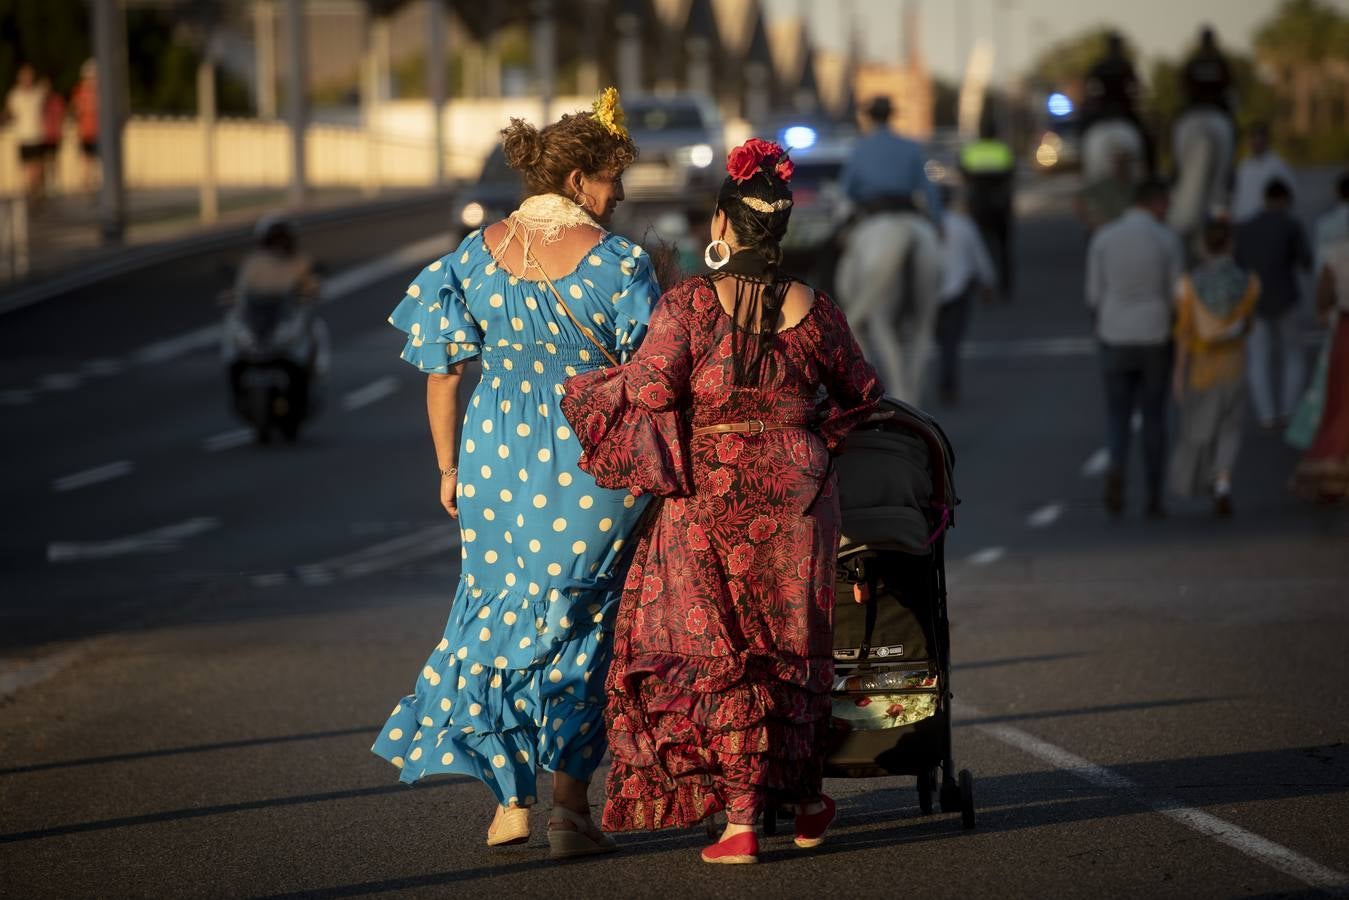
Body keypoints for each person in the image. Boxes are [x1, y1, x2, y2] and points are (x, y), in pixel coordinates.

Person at [561, 138, 883, 864]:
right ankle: (803, 802)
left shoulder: (688, 306)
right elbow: (863, 393)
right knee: (791, 651)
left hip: (707, 497)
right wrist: (814, 440)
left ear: (720, 226)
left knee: (723, 653)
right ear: (781, 230)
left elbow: (647, 391)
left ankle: (739, 822)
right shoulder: (815, 307)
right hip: (797, 499)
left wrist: (587, 389)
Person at [370, 89, 659, 860]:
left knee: (497, 618)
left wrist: (447, 468)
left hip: (493, 465)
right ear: (576, 183)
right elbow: (652, 376)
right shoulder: (622, 262)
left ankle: (508, 802)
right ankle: (570, 809)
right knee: (583, 627)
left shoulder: (471, 256)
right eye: (609, 180)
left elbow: (441, 371)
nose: (619, 194)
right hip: (592, 469)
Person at [836, 95, 943, 405]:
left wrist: (841, 226)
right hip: (913, 219)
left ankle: (885, 395)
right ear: (892, 116)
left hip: (874, 217)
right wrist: (938, 224)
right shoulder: (910, 146)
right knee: (924, 323)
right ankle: (914, 395)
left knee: (875, 316)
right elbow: (928, 192)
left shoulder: (860, 149)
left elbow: (846, 193)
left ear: (869, 117)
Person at [1086, 179, 1184, 517]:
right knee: (1154, 417)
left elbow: (1093, 295)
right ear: (1156, 203)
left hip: (1114, 333)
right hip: (1155, 334)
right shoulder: (1166, 239)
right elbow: (1177, 294)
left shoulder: (1104, 237)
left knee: (1117, 415)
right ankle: (1154, 493)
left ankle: (1116, 468)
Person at [1169, 219, 1260, 516]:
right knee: (1230, 427)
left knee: (1201, 426)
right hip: (1234, 362)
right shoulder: (1247, 282)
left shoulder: (1189, 284)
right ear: (1230, 245)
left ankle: (1204, 476)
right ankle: (1223, 481)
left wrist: (1178, 372)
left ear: (1205, 246)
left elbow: (1184, 331)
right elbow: (1248, 326)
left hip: (1202, 365)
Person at [1235, 178, 1312, 430]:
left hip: (1255, 298)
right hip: (1285, 297)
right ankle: (1289, 408)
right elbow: (1306, 261)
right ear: (1283, 199)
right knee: (1293, 354)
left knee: (1258, 357)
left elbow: (1237, 265)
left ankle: (1267, 413)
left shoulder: (1245, 228)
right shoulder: (1290, 225)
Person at [1291, 237, 1349, 502]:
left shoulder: (1339, 253)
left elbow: (1322, 300)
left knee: (1340, 404)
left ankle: (1330, 474)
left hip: (1346, 334)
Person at [1168, 27, 1236, 247]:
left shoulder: (1192, 62)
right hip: (1216, 107)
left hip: (1193, 108)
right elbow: (1229, 87)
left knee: (1172, 127)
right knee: (1233, 129)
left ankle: (1175, 168)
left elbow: (1182, 87)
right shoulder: (1221, 62)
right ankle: (1231, 169)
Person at [935, 186, 997, 406]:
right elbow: (979, 256)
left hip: (930, 295)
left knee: (933, 341)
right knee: (951, 342)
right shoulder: (963, 225)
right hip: (958, 291)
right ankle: (947, 384)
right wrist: (988, 283)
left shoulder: (924, 225)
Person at [1080, 32, 1151, 184]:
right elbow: (1137, 89)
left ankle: (1082, 164)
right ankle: (1151, 175)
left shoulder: (1099, 65)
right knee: (1147, 137)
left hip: (1101, 112)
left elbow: (1087, 87)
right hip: (1124, 111)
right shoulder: (1125, 65)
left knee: (1083, 132)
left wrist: (1091, 103)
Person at [958, 114, 1015, 299]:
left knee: (980, 246)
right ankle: (1006, 286)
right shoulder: (1003, 149)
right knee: (1004, 247)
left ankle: (984, 284)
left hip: (979, 205)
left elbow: (964, 174)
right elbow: (1010, 175)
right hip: (1000, 204)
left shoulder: (971, 150)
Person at [1231, 124, 1296, 223]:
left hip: (1268, 225)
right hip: (1243, 223)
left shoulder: (1278, 166)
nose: (1256, 142)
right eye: (1253, 138)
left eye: (1260, 138)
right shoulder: (1244, 166)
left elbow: (1289, 198)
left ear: (1267, 140)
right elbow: (1237, 196)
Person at [5, 65, 48, 204]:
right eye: (24, 76)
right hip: (23, 137)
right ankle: (32, 193)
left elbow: (46, 88)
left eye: (29, 76)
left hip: (37, 135)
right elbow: (9, 112)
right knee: (28, 168)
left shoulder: (37, 94)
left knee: (38, 167)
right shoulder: (14, 95)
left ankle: (36, 192)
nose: (27, 79)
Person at [70, 60, 100, 192]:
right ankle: (86, 185)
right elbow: (75, 110)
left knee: (95, 160)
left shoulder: (100, 92)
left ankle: (94, 184)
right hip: (85, 131)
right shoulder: (79, 92)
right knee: (86, 160)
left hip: (98, 131)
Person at [39, 75, 66, 193]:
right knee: (43, 162)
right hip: (42, 135)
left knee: (54, 160)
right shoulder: (39, 99)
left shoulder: (56, 99)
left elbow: (61, 115)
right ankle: (45, 184)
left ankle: (54, 183)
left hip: (54, 135)